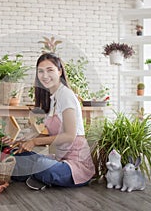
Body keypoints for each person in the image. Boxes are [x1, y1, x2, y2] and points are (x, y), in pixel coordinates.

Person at [11, 52, 95, 189]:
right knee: (18, 156)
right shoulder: (52, 97)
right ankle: (37, 176)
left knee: (40, 165)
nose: (45, 76)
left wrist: (34, 142)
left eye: (50, 70)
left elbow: (69, 136)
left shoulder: (66, 95)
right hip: (59, 160)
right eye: (41, 71)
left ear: (60, 71)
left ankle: (36, 175)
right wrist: (21, 142)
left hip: (75, 166)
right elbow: (49, 135)